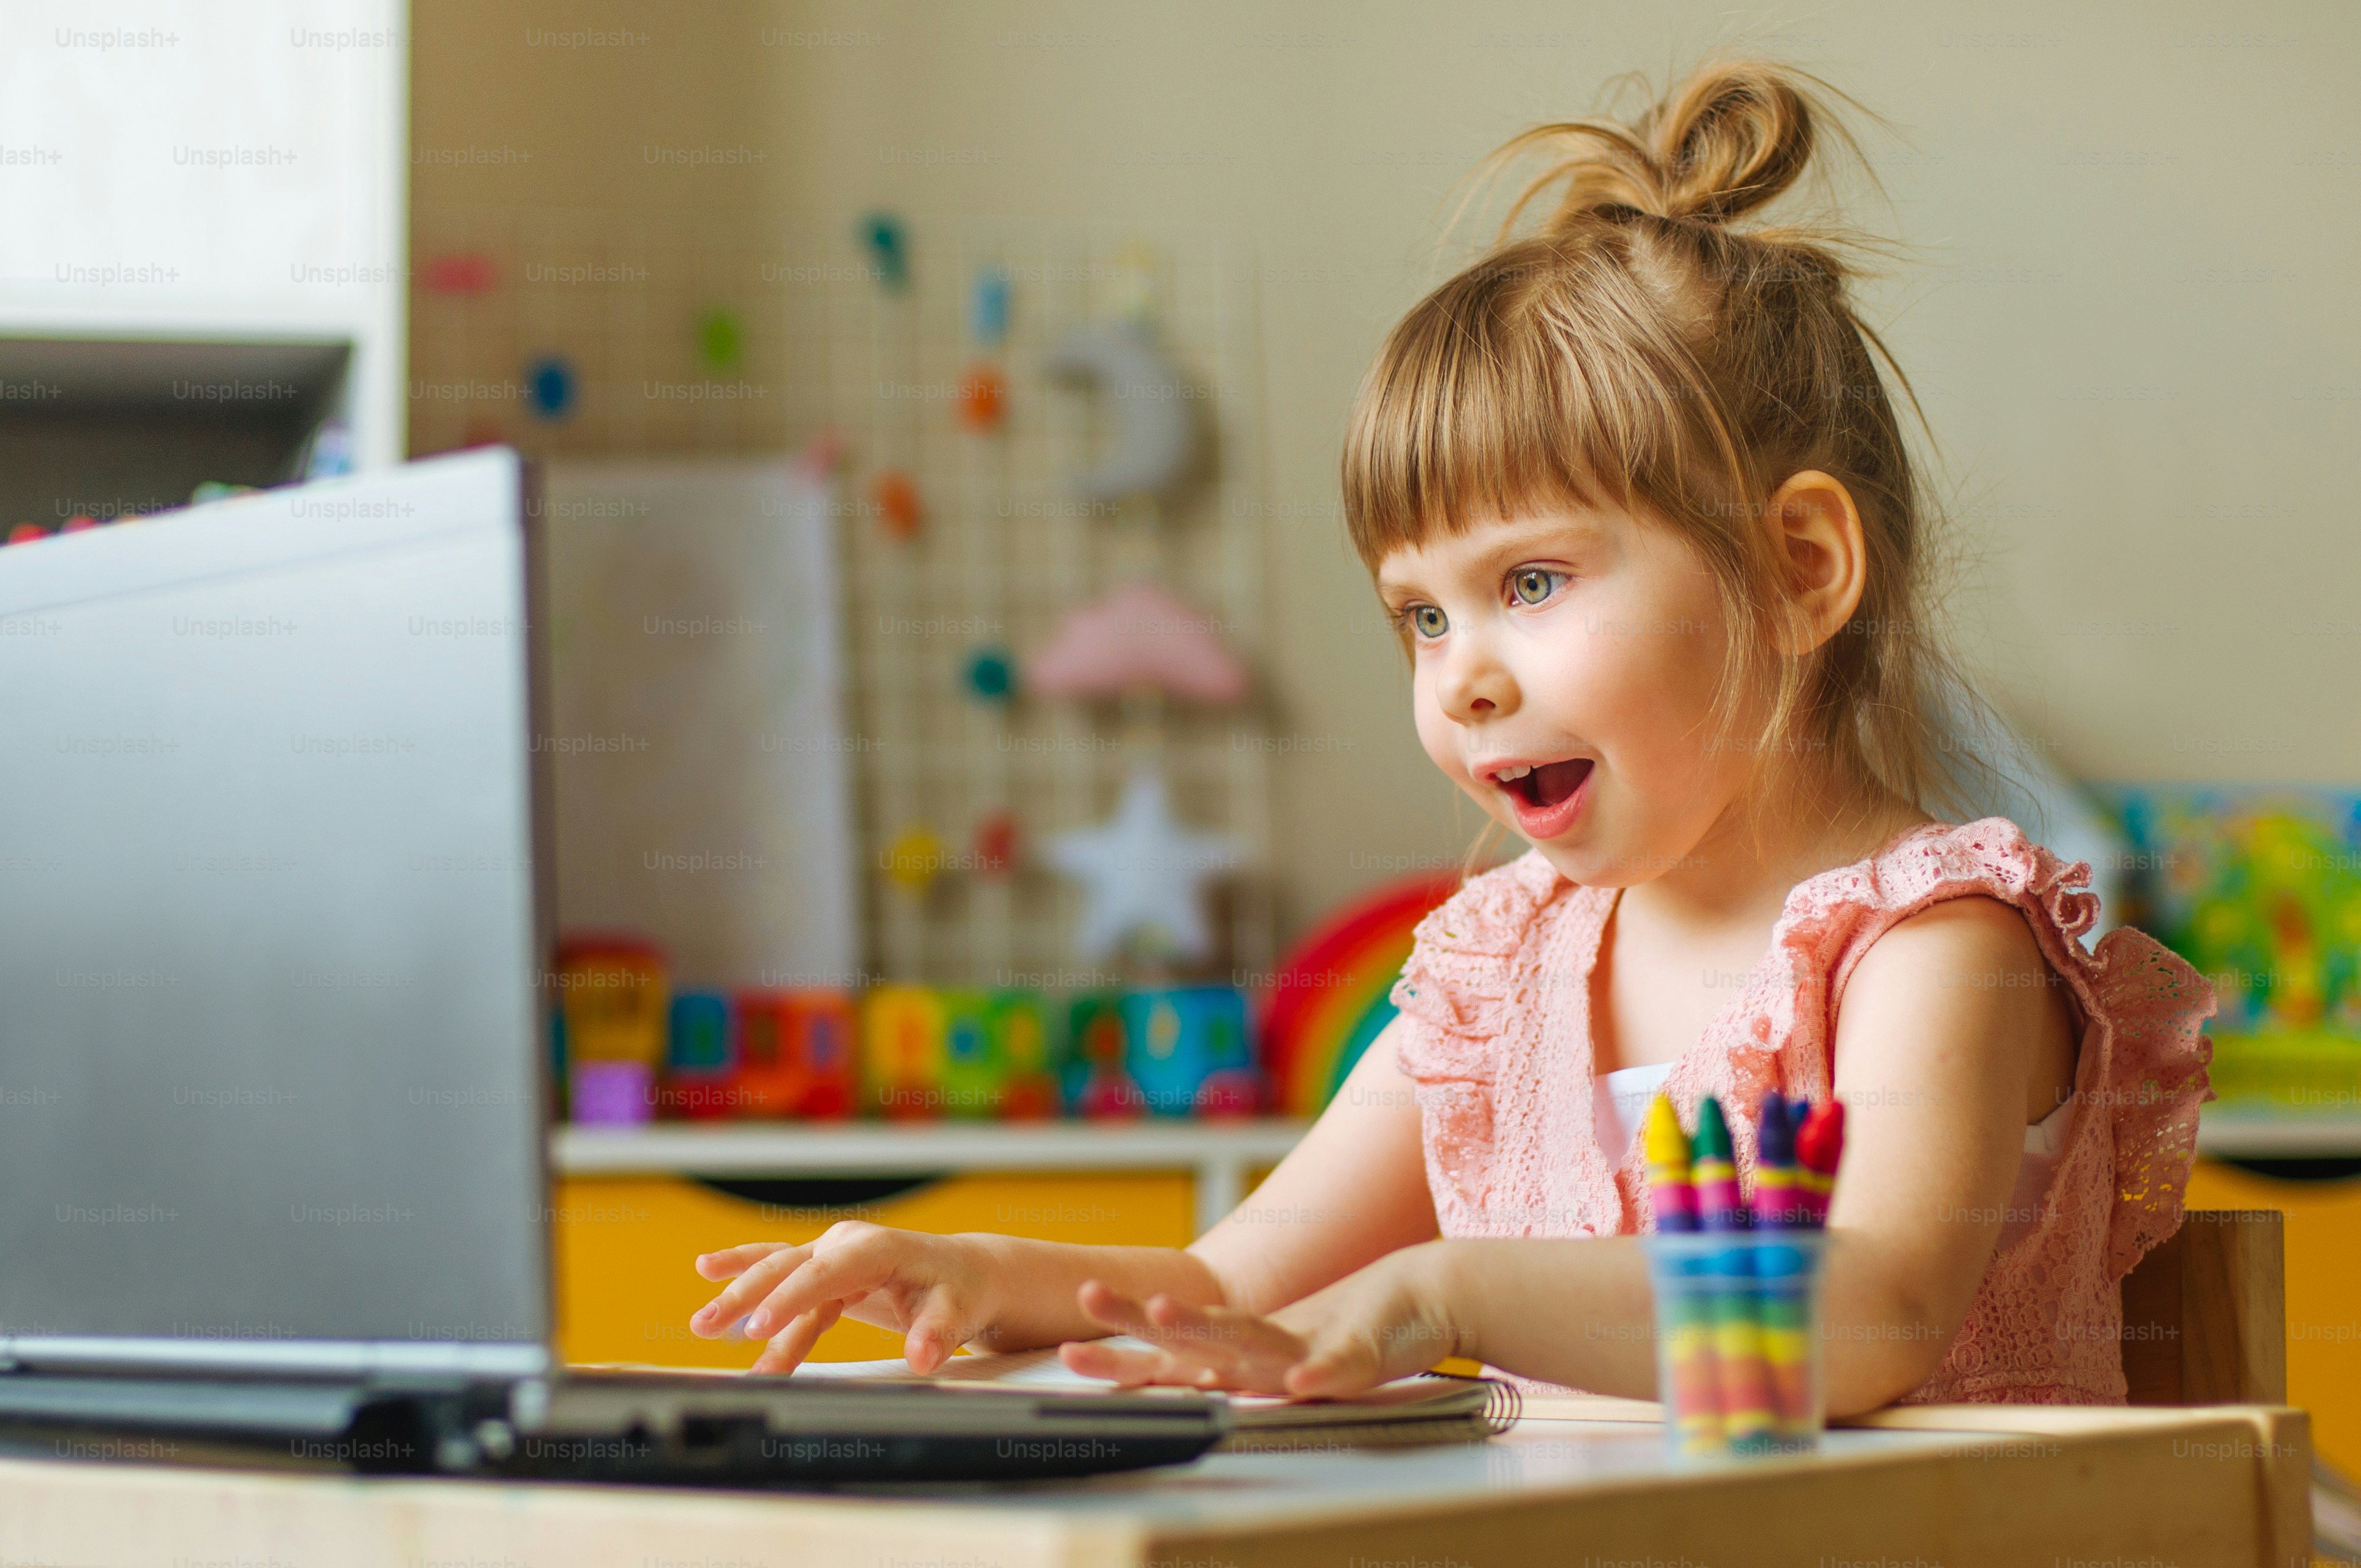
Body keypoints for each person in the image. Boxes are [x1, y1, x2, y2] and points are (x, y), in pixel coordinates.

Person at [688, 59, 2213, 1413]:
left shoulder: (1932, 943)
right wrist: (965, 1264)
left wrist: (1454, 1290)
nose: (1462, 677)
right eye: (1420, 616)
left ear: (1801, 569)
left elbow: (1873, 1315)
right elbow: (1229, 1286)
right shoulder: (1498, 977)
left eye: (1531, 583)